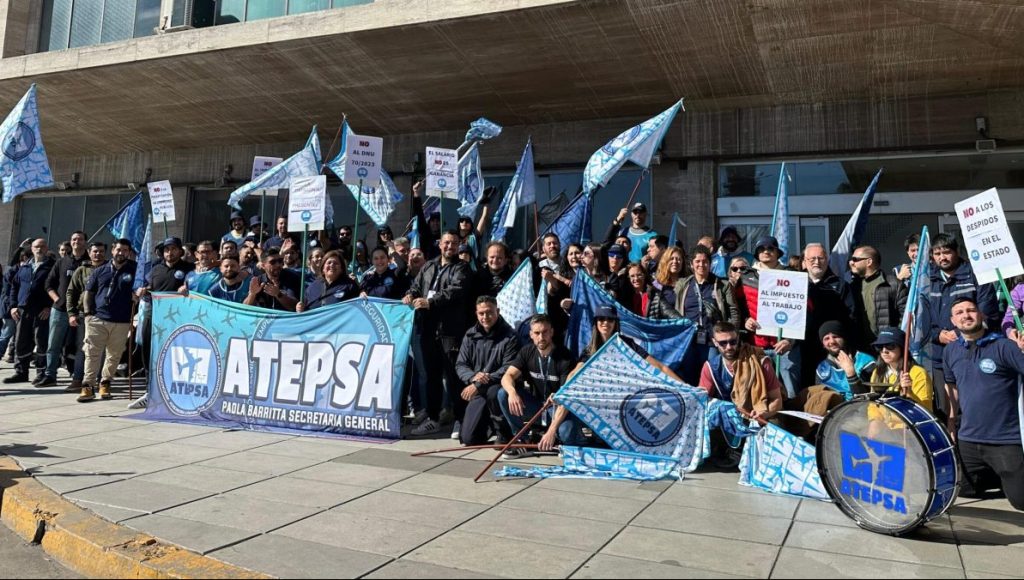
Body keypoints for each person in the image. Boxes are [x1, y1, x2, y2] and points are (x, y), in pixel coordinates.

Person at [943, 296, 1024, 510]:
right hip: (968, 439)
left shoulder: (1005, 346)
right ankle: (1000, 477)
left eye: (971, 310)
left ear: (981, 315)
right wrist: (952, 421)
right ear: (953, 321)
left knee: (1021, 501)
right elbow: (951, 387)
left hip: (1005, 440)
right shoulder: (950, 351)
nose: (966, 315)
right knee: (961, 490)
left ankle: (1010, 477)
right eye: (959, 313)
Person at [403, 231, 471, 436]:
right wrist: (410, 295)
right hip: (427, 328)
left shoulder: (462, 268)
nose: (450, 246)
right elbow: (416, 286)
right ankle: (433, 418)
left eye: (454, 243)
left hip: (450, 331)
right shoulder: (429, 265)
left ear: (459, 246)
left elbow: (456, 290)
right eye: (447, 243)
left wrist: (430, 302)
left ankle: (461, 418)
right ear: (440, 244)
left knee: (453, 376)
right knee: (431, 376)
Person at [926, 233, 1000, 415]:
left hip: (973, 353)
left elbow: (988, 313)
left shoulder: (975, 276)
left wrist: (960, 335)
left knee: (976, 407)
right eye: (937, 254)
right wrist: (937, 335)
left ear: (956, 252)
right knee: (947, 410)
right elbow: (921, 318)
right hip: (940, 357)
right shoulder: (927, 280)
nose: (942, 257)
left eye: (946, 252)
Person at [498, 314, 582, 458]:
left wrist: (552, 430)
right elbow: (507, 376)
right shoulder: (526, 352)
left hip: (558, 408)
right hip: (537, 406)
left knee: (567, 433)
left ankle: (555, 437)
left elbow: (566, 398)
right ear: (531, 334)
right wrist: (512, 393)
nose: (541, 337)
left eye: (544, 332)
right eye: (537, 333)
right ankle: (522, 439)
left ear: (551, 332)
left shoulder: (565, 357)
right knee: (503, 394)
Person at [737, 236, 799, 397]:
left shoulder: (792, 275)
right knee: (759, 394)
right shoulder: (746, 276)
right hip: (756, 345)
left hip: (785, 346)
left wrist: (791, 339)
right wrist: (745, 320)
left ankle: (790, 422)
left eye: (770, 248)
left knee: (791, 394)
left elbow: (803, 310)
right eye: (761, 249)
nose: (766, 251)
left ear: (777, 252)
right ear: (757, 253)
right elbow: (737, 306)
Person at [455, 296, 519, 445]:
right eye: (481, 313)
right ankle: (489, 426)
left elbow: (508, 368)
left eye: (489, 312)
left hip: (499, 386)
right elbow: (461, 364)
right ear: (476, 314)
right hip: (478, 388)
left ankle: (503, 433)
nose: (485, 317)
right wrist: (472, 377)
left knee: (493, 392)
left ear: (498, 311)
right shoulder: (470, 335)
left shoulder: (510, 336)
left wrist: (479, 383)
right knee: (468, 439)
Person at [78, 239, 137, 402]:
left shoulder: (135, 271)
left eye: (125, 250)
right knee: (92, 354)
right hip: (98, 319)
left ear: (129, 252)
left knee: (114, 355)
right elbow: (88, 293)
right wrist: (88, 314)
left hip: (122, 321)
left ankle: (105, 383)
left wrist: (138, 294)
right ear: (112, 250)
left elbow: (141, 289)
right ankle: (88, 386)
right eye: (118, 249)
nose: (121, 253)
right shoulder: (99, 270)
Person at [675, 245, 740, 384]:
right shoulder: (682, 284)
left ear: (710, 264)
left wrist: (729, 336)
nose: (701, 265)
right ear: (691, 264)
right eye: (697, 261)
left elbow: (733, 311)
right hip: (689, 340)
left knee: (713, 376)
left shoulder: (722, 285)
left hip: (713, 340)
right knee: (690, 377)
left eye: (705, 261)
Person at [802, 243, 855, 393]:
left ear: (827, 260)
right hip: (804, 346)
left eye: (820, 258)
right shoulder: (796, 283)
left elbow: (851, 315)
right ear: (804, 262)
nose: (816, 262)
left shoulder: (840, 285)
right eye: (812, 259)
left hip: (831, 346)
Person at [39, 231, 87, 388]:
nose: (76, 242)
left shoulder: (90, 262)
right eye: (74, 239)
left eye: (80, 239)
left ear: (85, 242)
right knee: (53, 345)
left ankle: (77, 377)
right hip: (59, 311)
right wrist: (57, 299)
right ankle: (50, 375)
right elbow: (48, 284)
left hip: (81, 313)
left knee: (79, 347)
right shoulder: (62, 262)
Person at [4, 239, 55, 385]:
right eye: (36, 247)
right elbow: (14, 287)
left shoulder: (52, 266)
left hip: (41, 311)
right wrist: (13, 306)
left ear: (47, 248)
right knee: (21, 341)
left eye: (42, 246)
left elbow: (57, 288)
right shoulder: (24, 267)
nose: (39, 249)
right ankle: (21, 372)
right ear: (31, 249)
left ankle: (41, 373)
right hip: (23, 310)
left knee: (41, 341)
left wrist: (49, 306)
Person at [65, 242, 106, 393]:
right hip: (84, 314)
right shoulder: (81, 270)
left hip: (105, 315)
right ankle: (77, 379)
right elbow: (71, 292)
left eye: (101, 251)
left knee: (103, 350)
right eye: (95, 251)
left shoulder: (110, 269)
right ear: (89, 252)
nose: (98, 254)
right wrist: (71, 313)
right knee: (83, 348)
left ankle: (101, 381)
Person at [849, 245, 907, 348]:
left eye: (855, 259)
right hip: (862, 350)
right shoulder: (853, 287)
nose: (851, 262)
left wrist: (893, 339)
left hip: (887, 348)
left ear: (869, 262)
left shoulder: (893, 284)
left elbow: (905, 317)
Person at [868, 327, 933, 410]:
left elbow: (926, 411)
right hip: (883, 422)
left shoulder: (918, 373)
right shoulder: (877, 372)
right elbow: (873, 407)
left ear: (902, 348)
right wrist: (874, 421)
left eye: (890, 346)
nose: (884, 351)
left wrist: (909, 393)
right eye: (880, 346)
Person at [815, 320, 876, 400]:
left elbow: (868, 399)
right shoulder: (822, 368)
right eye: (826, 339)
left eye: (835, 336)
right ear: (823, 344)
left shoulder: (866, 362)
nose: (832, 341)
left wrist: (851, 373)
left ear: (844, 338)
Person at [646, 246, 685, 319]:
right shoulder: (656, 284)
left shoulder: (688, 284)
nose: (675, 262)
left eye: (678, 259)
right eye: (671, 259)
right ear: (665, 261)